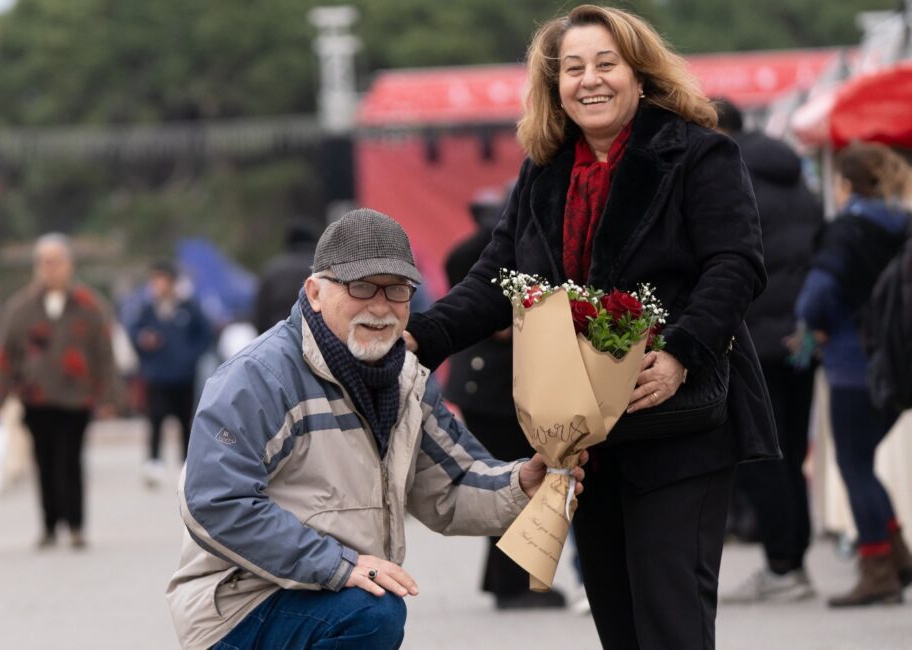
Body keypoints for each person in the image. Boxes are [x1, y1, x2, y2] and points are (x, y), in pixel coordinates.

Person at [402, 6, 778, 648]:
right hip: (585, 440)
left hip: (679, 419)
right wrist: (422, 337)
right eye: (572, 68)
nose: (590, 80)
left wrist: (682, 352)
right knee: (618, 622)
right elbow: (497, 276)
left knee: (671, 621)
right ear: (554, 85)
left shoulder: (698, 152)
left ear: (639, 74)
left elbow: (735, 264)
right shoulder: (544, 169)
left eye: (607, 63)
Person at [165, 208, 586, 650]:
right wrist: (338, 565)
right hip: (238, 606)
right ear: (314, 292)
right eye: (362, 287)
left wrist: (522, 484)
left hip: (330, 592)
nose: (381, 307)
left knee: (370, 609)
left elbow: (453, 485)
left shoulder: (407, 380)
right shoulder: (258, 379)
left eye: (398, 290)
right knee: (372, 614)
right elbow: (216, 503)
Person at [712, 98, 826, 603]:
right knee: (793, 449)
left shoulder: (730, 179)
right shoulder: (799, 182)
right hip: (799, 339)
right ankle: (793, 563)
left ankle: (781, 562)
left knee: (762, 452)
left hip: (755, 339)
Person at [796, 142, 912, 607]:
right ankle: (897, 554)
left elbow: (814, 297)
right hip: (897, 362)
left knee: (854, 466)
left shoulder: (846, 230)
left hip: (850, 362)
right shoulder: (903, 225)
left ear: (844, 184)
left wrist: (811, 331)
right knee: (865, 461)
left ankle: (877, 565)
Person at [444, 188, 567, 610]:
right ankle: (512, 584)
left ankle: (505, 581)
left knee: (512, 478)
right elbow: (459, 265)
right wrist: (499, 316)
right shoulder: (507, 235)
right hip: (492, 385)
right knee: (515, 480)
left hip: (494, 385)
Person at [0, 233, 119, 550]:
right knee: (44, 462)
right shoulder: (21, 308)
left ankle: (75, 524)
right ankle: (49, 525)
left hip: (76, 397)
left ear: (69, 265)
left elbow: (104, 353)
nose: (50, 269)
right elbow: (6, 356)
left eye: (56, 262)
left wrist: (110, 397)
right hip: (36, 397)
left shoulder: (89, 306)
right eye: (44, 263)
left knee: (71, 460)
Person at [129, 261, 213, 486]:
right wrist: (143, 342)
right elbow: (134, 331)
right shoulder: (147, 309)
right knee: (155, 418)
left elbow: (205, 334)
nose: (157, 285)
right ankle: (154, 462)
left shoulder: (188, 307)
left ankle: (186, 464)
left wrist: (190, 356)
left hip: (183, 375)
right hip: (156, 373)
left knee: (185, 419)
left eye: (161, 279)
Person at [253, 219, 320, 333]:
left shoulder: (271, 271)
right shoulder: (322, 270)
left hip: (277, 338)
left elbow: (260, 315)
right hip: (316, 338)